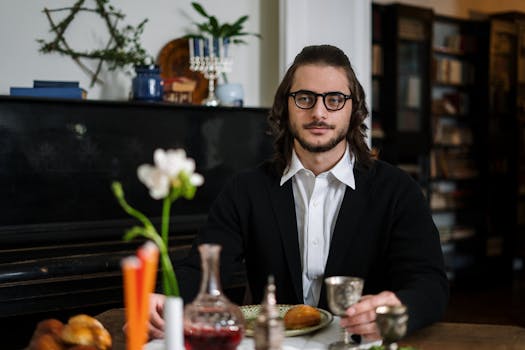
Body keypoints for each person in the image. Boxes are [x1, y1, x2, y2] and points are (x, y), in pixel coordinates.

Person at [146, 44, 449, 341]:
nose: (319, 112)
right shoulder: (245, 189)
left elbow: (430, 284)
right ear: (284, 106)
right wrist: (167, 304)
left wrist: (399, 309)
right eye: (304, 98)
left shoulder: (398, 190)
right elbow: (201, 269)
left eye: (334, 99)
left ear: (353, 109)